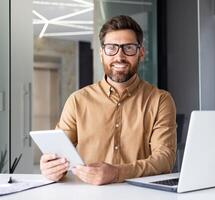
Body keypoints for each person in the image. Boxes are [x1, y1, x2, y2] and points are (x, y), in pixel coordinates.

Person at [40, 15, 177, 185]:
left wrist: (117, 173)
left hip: (140, 195)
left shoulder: (160, 100)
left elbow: (165, 159)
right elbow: (59, 155)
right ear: (101, 53)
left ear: (141, 53)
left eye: (129, 48)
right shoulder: (77, 101)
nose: (119, 57)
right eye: (111, 48)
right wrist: (51, 168)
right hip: (86, 195)